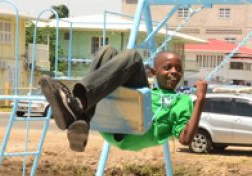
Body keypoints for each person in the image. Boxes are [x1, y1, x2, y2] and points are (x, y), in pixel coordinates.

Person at [39, 46, 207, 152]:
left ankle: (78, 106)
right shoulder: (151, 91)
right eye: (168, 67)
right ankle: (81, 121)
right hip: (114, 122)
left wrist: (199, 99)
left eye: (178, 69)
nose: (174, 72)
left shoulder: (181, 101)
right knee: (107, 51)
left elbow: (185, 140)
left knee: (133, 56)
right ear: (154, 73)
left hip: (139, 127)